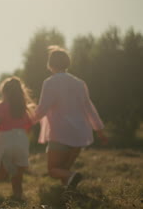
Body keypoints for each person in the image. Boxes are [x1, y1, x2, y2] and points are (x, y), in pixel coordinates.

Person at [35, 46, 107, 190]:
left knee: (53, 170)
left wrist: (27, 121)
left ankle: (71, 184)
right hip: (79, 136)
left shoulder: (50, 82)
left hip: (59, 133)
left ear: (50, 64)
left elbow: (42, 109)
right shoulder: (79, 83)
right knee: (65, 171)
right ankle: (69, 198)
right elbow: (89, 108)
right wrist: (99, 130)